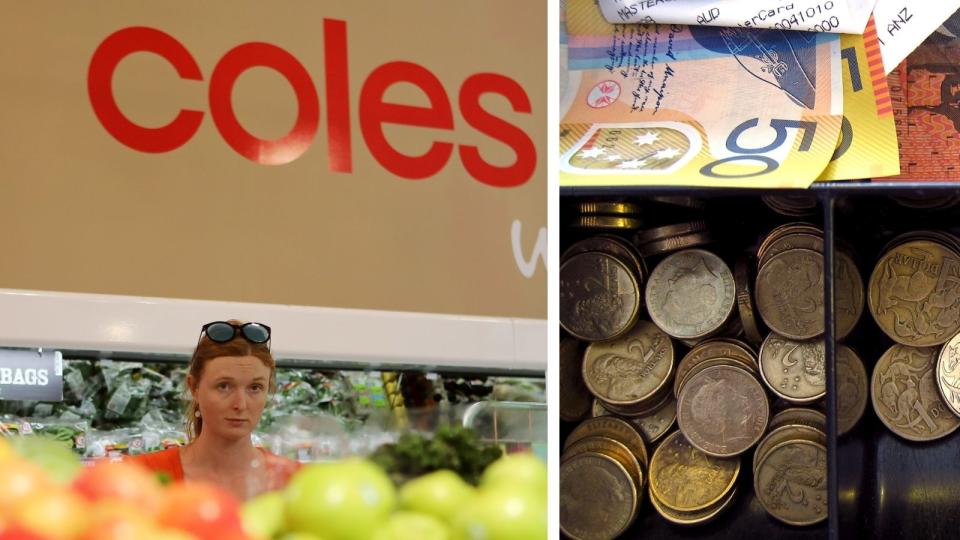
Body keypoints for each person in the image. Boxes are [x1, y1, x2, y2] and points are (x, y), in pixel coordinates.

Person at [127, 320, 300, 500]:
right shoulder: (140, 477)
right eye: (224, 386)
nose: (240, 404)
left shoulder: (296, 482)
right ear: (194, 388)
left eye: (255, 387)